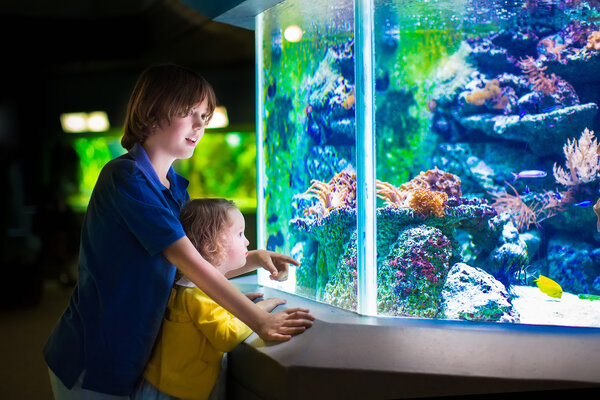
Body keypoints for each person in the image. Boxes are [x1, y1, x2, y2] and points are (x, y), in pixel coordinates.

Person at [44, 64, 314, 399]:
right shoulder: (126, 178)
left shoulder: (174, 189)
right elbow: (188, 262)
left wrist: (252, 260)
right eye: (189, 113)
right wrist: (260, 321)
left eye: (204, 115)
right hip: (92, 355)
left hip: (133, 350)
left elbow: (179, 273)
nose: (200, 125)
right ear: (152, 112)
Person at [134, 198, 286, 400]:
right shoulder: (197, 293)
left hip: (164, 384)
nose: (247, 241)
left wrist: (234, 307)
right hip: (176, 392)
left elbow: (206, 321)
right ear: (211, 246)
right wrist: (261, 309)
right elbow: (226, 335)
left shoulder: (189, 285)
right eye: (240, 234)